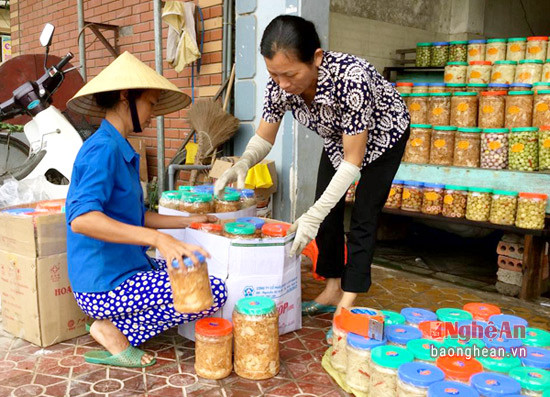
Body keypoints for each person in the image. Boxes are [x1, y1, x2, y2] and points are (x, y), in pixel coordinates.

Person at [214, 16, 410, 326]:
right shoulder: (280, 82)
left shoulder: (351, 79)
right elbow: (264, 137)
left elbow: (352, 163)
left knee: (363, 216)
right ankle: (332, 288)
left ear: (316, 58)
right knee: (325, 210)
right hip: (338, 140)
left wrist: (311, 215)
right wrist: (243, 161)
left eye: (290, 74)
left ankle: (349, 298)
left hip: (385, 136)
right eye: (274, 74)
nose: (283, 84)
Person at [65, 52, 227, 368]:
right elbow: (82, 220)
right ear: (127, 97)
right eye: (151, 103)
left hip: (127, 268)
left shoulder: (119, 147)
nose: (153, 113)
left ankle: (112, 324)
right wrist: (157, 239)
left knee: (191, 271)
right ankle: (110, 329)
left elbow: (134, 217)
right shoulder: (102, 150)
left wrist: (189, 220)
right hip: (104, 282)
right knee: (212, 291)